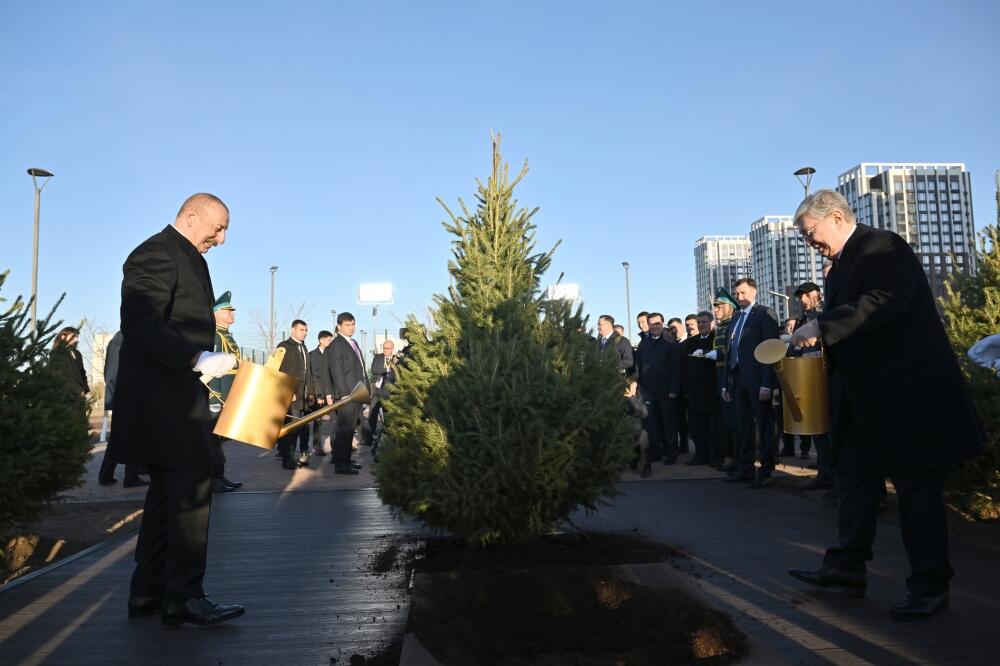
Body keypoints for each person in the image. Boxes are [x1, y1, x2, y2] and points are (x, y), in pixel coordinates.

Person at [787, 189, 984, 620]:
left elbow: (883, 303)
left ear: (836, 217)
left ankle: (930, 585)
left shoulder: (883, 246)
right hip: (862, 398)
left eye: (811, 233)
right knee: (853, 480)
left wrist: (824, 324)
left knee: (917, 491)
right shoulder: (838, 267)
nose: (809, 243)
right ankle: (846, 567)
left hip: (907, 396)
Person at [108, 193, 243, 627]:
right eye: (217, 228)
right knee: (192, 490)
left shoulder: (190, 258)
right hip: (163, 399)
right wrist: (194, 359)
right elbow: (141, 323)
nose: (221, 239)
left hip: (174, 396)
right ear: (190, 216)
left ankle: (149, 591)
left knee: (167, 495)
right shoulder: (155, 253)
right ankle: (184, 595)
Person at [723, 278, 779, 488]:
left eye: (743, 293)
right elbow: (730, 350)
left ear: (754, 292)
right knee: (743, 426)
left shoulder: (765, 314)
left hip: (757, 380)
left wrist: (767, 383)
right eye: (737, 293)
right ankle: (745, 468)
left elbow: (771, 349)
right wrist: (727, 384)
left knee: (763, 426)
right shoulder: (736, 317)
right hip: (737, 380)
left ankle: (765, 470)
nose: (740, 297)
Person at [97, 331, 150, 487]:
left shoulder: (115, 340)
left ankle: (106, 474)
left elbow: (108, 370)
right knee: (134, 435)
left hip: (118, 392)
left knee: (118, 436)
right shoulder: (133, 339)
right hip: (130, 392)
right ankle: (131, 476)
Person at [207, 291, 242, 493]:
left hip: (229, 395)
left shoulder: (226, 335)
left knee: (218, 441)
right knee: (213, 440)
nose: (232, 314)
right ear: (217, 313)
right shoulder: (216, 336)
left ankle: (219, 476)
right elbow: (213, 369)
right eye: (228, 311)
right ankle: (213, 479)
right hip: (219, 397)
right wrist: (216, 398)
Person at [636, 313, 683, 464]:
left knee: (669, 424)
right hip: (648, 391)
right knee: (653, 424)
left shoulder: (671, 342)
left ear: (662, 324)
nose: (654, 327)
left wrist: (674, 390)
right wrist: (640, 387)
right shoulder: (644, 343)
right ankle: (657, 451)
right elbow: (639, 366)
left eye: (657, 323)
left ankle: (671, 453)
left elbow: (677, 368)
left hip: (666, 391)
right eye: (651, 324)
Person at [326, 312, 368, 474]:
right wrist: (344, 393)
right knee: (344, 430)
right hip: (347, 395)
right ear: (339, 326)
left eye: (353, 324)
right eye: (347, 325)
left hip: (356, 393)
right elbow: (337, 371)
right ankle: (340, 464)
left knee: (350, 429)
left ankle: (345, 459)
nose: (351, 328)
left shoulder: (353, 342)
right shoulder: (337, 344)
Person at [683, 311, 724, 466]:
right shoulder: (690, 342)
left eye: (704, 322)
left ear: (711, 323)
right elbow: (686, 367)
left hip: (713, 389)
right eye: (699, 322)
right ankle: (701, 454)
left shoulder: (717, 340)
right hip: (695, 391)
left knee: (716, 427)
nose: (701, 325)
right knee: (697, 427)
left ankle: (717, 456)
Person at [276, 320, 315, 470]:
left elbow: (308, 372)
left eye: (306, 330)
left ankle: (293, 456)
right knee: (290, 428)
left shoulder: (304, 348)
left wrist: (310, 392)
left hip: (303, 396)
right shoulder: (283, 346)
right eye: (301, 330)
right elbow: (279, 371)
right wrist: (287, 391)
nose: (304, 333)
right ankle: (287, 459)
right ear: (293, 330)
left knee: (300, 428)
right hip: (290, 395)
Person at [709, 288, 740, 471]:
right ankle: (734, 457)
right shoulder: (722, 326)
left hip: (731, 377)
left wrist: (718, 354)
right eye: (715, 306)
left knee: (736, 420)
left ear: (730, 307)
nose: (716, 309)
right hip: (721, 376)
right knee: (728, 420)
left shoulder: (732, 324)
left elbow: (732, 350)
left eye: (719, 305)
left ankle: (739, 459)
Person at [369, 339, 398, 458]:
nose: (385, 350)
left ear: (392, 349)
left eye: (388, 348)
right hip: (376, 391)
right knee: (372, 413)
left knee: (387, 415)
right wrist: (387, 370)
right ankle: (371, 435)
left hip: (388, 392)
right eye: (384, 348)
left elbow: (398, 374)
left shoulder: (397, 359)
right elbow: (374, 370)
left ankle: (385, 437)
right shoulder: (378, 357)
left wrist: (395, 366)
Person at [309, 330, 336, 456]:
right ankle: (317, 446)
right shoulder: (313, 356)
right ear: (321, 340)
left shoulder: (332, 354)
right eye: (329, 340)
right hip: (319, 393)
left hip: (332, 391)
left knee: (335, 419)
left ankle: (336, 444)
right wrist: (319, 395)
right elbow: (315, 377)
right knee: (318, 420)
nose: (331, 343)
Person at [50, 327, 89, 396]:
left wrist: (85, 389)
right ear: (63, 337)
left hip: (80, 394)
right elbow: (61, 374)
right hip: (64, 395)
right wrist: (78, 390)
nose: (76, 339)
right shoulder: (56, 352)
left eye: (77, 337)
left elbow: (82, 372)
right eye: (73, 337)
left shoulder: (77, 353)